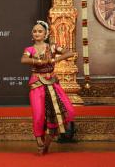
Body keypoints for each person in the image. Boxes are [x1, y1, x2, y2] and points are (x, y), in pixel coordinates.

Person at [21, 20, 75, 155]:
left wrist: (54, 60)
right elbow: (24, 60)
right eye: (34, 31)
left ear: (46, 34)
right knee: (38, 114)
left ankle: (47, 143)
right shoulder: (30, 49)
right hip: (37, 83)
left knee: (61, 112)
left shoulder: (52, 47)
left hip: (52, 83)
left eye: (40, 31)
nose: (37, 33)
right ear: (31, 34)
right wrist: (39, 61)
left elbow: (69, 53)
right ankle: (38, 138)